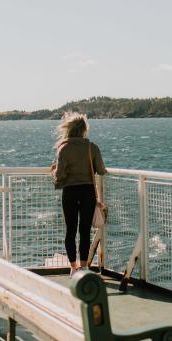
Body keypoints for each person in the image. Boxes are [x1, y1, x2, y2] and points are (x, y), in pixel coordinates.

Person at [52, 111, 107, 275]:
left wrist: (54, 172)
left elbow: (60, 176)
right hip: (88, 191)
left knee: (70, 230)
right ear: (84, 129)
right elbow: (101, 170)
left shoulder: (64, 148)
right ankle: (84, 266)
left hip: (70, 192)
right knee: (84, 230)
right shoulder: (92, 147)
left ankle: (73, 267)